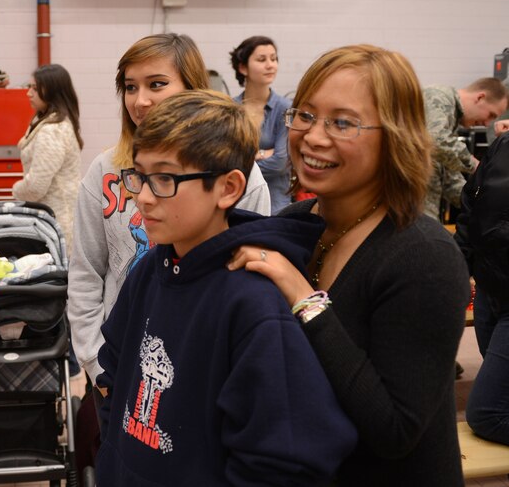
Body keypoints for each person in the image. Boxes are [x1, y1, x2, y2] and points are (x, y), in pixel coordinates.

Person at [228, 44, 470, 486]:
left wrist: (305, 299)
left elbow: (394, 431)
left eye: (343, 122)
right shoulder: (291, 226)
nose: (314, 137)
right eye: (304, 115)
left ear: (396, 135)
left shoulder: (424, 257)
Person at [95, 91, 356, 486]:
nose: (143, 197)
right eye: (140, 176)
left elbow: (285, 457)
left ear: (229, 189)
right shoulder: (149, 269)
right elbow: (113, 373)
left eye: (165, 178)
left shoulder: (251, 302)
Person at [68, 33, 271, 399]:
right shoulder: (104, 170)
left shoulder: (238, 176)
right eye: (130, 87)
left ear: (191, 89)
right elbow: (86, 272)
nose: (140, 100)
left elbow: (252, 278)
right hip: (118, 366)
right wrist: (97, 365)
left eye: (157, 84)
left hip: (202, 369)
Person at [455, 128, 509, 445]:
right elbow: (470, 206)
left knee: (487, 414)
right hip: (491, 292)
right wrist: (459, 267)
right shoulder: (503, 145)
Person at [12, 63, 83, 252]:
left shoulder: (52, 131)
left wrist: (15, 190)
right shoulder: (45, 122)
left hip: (57, 223)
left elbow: (36, 187)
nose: (28, 93)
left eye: (35, 88)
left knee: (58, 278)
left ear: (52, 91)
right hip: (50, 220)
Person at [422, 77, 508, 221]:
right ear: (480, 98)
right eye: (491, 115)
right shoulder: (438, 96)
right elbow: (435, 139)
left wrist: (479, 202)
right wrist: (477, 166)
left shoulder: (450, 120)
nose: (487, 124)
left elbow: (449, 178)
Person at [229, 36, 292, 212]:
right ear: (243, 67)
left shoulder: (285, 109)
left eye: (274, 58)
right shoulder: (228, 109)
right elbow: (222, 160)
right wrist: (265, 153)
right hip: (237, 205)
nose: (270, 65)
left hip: (276, 207)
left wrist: (243, 160)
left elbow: (280, 163)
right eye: (261, 59)